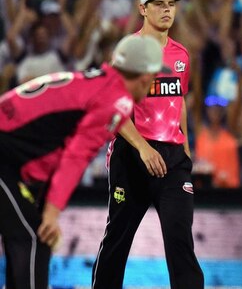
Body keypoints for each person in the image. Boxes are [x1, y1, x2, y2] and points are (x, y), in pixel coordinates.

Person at [0, 34, 169, 289]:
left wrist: (47, 207)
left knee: (33, 239)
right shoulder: (116, 100)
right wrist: (53, 211)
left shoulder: (98, 82)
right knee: (33, 238)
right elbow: (76, 156)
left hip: (9, 160)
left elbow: (44, 144)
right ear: (145, 77)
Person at [92, 0, 204, 289]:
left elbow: (177, 100)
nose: (167, 9)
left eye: (171, 4)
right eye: (159, 4)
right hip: (132, 155)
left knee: (180, 239)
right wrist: (143, 148)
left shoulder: (181, 55)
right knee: (117, 240)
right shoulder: (128, 52)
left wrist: (186, 147)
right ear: (143, 9)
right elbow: (112, 110)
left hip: (172, 157)